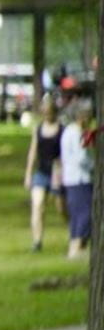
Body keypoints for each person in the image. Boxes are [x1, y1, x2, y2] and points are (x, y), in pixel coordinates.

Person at [24, 98, 64, 252]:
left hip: (57, 174)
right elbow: (33, 152)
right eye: (45, 113)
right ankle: (37, 241)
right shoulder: (38, 129)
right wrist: (28, 174)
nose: (47, 115)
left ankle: (74, 234)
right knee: (38, 205)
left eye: (50, 113)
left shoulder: (61, 130)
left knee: (61, 207)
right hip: (41, 173)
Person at [60, 101, 94, 260]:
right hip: (81, 178)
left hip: (70, 178)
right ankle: (77, 246)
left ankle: (74, 245)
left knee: (76, 213)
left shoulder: (67, 132)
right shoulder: (77, 133)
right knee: (86, 213)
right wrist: (94, 166)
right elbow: (82, 158)